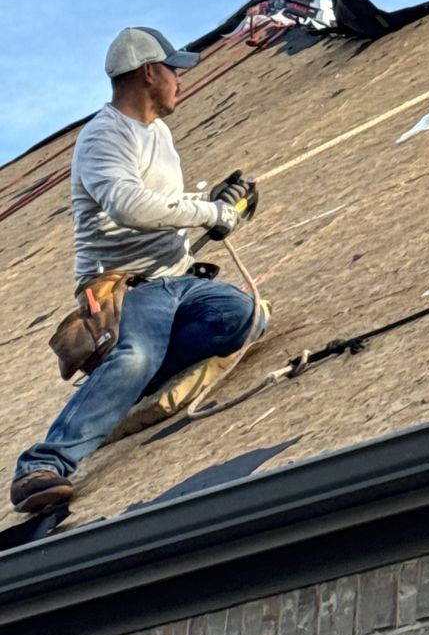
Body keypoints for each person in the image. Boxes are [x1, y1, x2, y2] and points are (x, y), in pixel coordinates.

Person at [10, 27, 265, 514]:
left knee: (245, 318)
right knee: (134, 355)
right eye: (174, 71)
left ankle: (130, 385)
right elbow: (128, 206)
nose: (180, 81)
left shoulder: (159, 135)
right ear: (149, 72)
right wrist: (211, 214)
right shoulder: (103, 136)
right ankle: (42, 466)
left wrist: (212, 205)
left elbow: (163, 206)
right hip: (127, 287)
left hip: (178, 277)